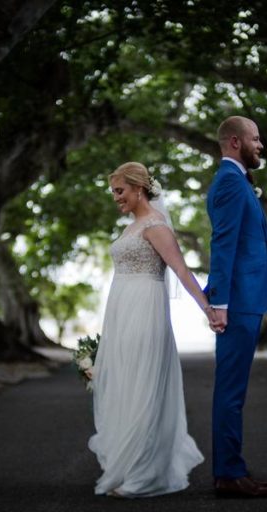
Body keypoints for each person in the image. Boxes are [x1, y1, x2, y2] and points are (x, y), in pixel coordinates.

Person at [88, 161, 213, 498]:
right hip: (121, 310)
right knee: (127, 384)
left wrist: (208, 309)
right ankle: (130, 468)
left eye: (120, 191)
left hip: (145, 310)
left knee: (143, 385)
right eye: (113, 192)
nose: (116, 198)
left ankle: (143, 476)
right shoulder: (131, 227)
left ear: (139, 188)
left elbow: (182, 271)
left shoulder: (156, 226)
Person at [205, 116, 267, 498]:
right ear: (235, 142)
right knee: (231, 391)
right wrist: (217, 302)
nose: (261, 145)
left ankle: (230, 468)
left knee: (234, 390)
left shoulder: (237, 182)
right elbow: (222, 244)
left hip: (246, 298)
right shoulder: (231, 184)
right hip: (236, 301)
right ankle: (228, 473)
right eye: (255, 138)